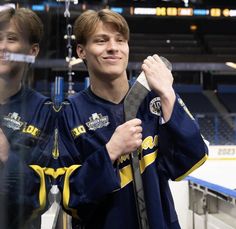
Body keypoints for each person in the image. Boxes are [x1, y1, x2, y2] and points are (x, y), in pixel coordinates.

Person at [57, 9, 209, 229]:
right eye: (101, 41)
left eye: (120, 40)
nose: (113, 47)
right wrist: (110, 153)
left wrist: (168, 95)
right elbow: (69, 198)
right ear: (81, 51)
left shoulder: (155, 99)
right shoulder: (69, 113)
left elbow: (191, 159)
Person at [0, 7, 54, 229]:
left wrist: (6, 155)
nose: (2, 47)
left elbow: (38, 198)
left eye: (11, 39)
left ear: (32, 51)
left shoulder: (44, 111)